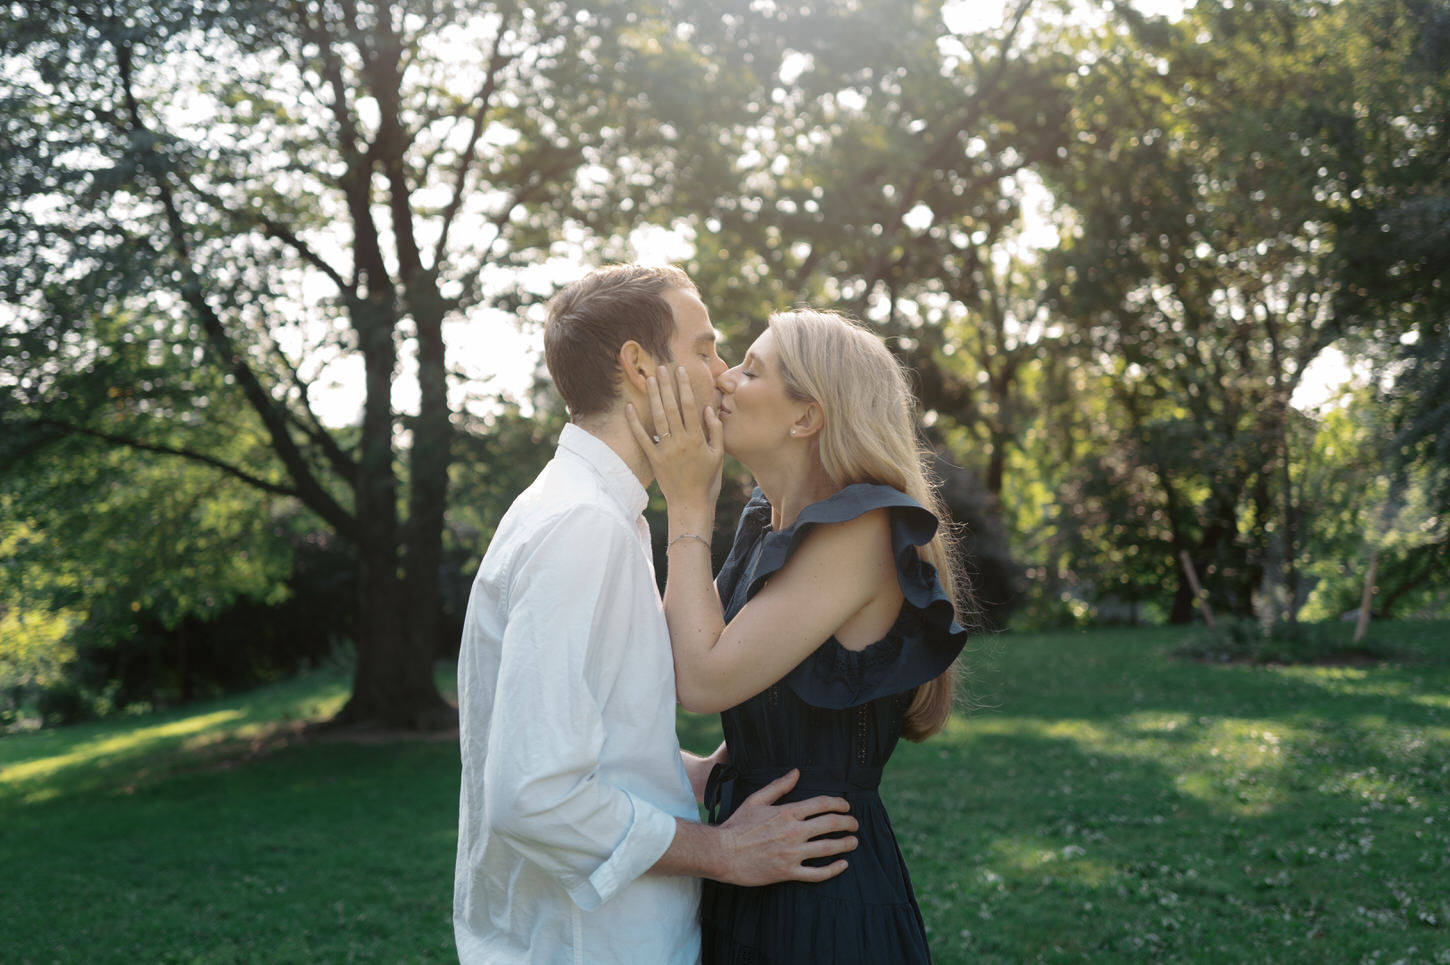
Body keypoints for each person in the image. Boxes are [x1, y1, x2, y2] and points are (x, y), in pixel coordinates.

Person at [453, 266, 861, 965]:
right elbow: (532, 793)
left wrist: (694, 775)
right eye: (704, 348)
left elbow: (579, 737)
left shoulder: (600, 512)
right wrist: (723, 849)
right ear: (640, 367)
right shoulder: (580, 526)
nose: (722, 370)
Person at [626, 307, 970, 964]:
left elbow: (699, 680)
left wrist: (689, 503)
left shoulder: (862, 529)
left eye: (751, 369)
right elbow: (754, 725)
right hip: (758, 867)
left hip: (822, 900)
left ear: (806, 416)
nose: (723, 378)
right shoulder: (770, 523)